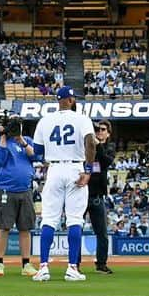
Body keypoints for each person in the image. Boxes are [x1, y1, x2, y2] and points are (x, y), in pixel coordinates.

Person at [31, 86, 96, 282]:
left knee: (49, 219)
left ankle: (43, 267)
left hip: (55, 168)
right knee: (75, 219)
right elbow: (91, 143)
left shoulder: (45, 120)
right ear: (71, 100)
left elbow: (37, 151)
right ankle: (72, 268)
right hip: (75, 167)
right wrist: (88, 170)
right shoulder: (82, 118)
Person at [0, 115, 40, 277]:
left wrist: (22, 141)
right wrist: (3, 136)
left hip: (24, 190)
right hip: (4, 189)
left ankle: (26, 264)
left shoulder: (27, 140)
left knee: (26, 228)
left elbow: (36, 156)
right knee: (3, 227)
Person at [86, 119, 116, 273]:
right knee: (75, 229)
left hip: (97, 194)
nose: (100, 132)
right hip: (82, 192)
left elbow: (105, 162)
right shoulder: (85, 145)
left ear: (108, 133)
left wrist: (97, 145)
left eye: (103, 129)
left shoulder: (109, 147)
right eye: (97, 129)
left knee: (102, 233)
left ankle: (101, 263)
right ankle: (74, 264)